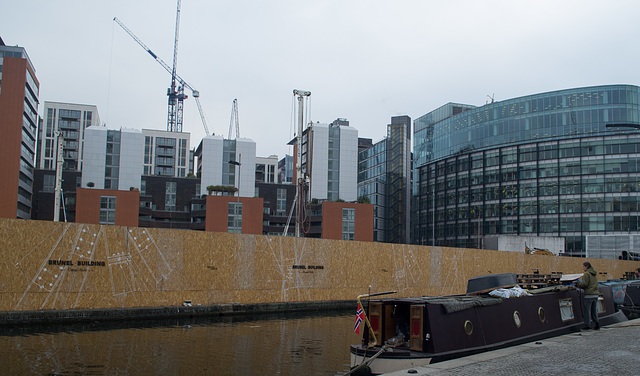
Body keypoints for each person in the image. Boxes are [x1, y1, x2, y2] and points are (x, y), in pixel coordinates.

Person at [575, 261, 600, 330]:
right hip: (595, 294)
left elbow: (585, 284)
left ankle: (587, 326)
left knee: (587, 311)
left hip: (589, 295)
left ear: (586, 267)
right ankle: (597, 324)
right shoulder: (594, 274)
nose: (582, 268)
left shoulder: (586, 274)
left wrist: (577, 283)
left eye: (583, 267)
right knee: (594, 311)